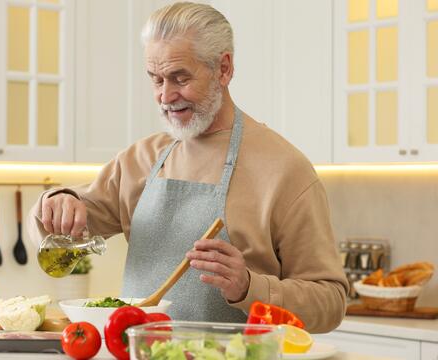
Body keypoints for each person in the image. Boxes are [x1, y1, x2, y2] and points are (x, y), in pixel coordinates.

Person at [29, 2, 348, 333]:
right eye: (156, 80)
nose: (166, 95)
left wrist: (249, 287)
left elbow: (331, 301)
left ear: (223, 69)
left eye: (180, 78)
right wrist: (57, 203)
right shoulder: (141, 159)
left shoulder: (285, 170)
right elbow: (51, 231)